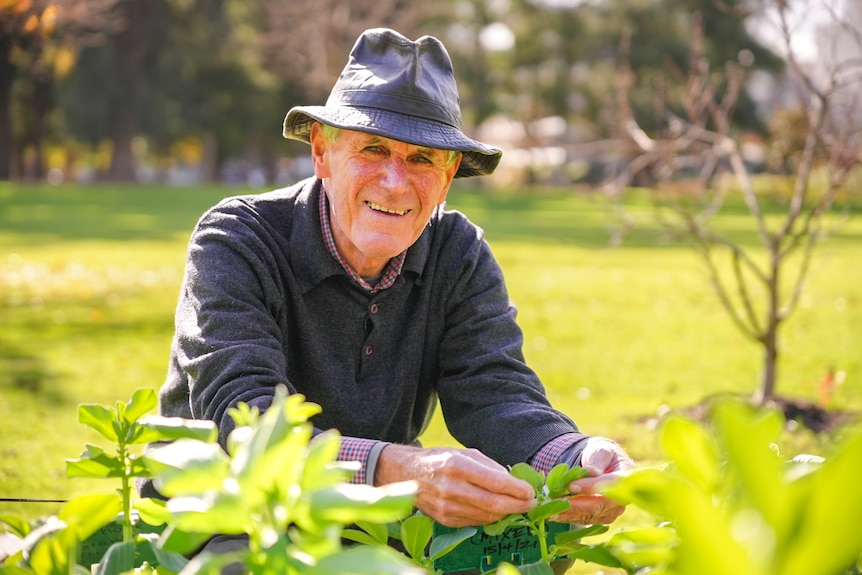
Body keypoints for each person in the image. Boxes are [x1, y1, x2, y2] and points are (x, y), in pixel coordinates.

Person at [147, 27, 633, 533]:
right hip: (222, 513)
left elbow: (495, 390)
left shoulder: (457, 252)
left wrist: (577, 454)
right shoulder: (238, 239)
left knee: (536, 546)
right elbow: (244, 418)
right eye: (374, 149)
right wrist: (394, 470)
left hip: (375, 521)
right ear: (321, 152)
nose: (395, 182)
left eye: (422, 159)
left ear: (447, 179)